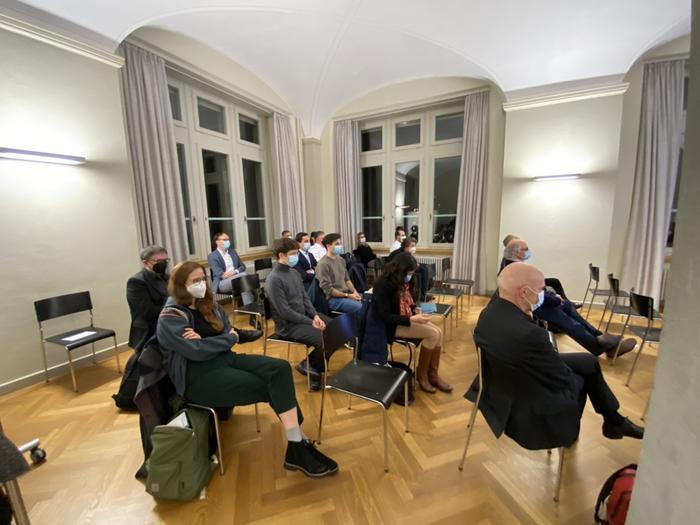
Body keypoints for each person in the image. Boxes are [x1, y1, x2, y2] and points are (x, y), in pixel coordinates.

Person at [156, 261, 338, 477]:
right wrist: (224, 339)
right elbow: (198, 351)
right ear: (180, 285)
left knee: (280, 369)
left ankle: (297, 443)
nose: (201, 284)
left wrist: (209, 340)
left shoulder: (209, 305)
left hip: (226, 360)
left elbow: (227, 333)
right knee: (271, 386)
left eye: (203, 279)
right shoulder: (170, 316)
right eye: (195, 281)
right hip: (198, 378)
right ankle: (298, 444)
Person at [467, 262, 643, 450]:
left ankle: (613, 420)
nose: (544, 294)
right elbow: (563, 380)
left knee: (589, 361)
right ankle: (590, 428)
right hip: (524, 396)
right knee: (584, 379)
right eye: (541, 290)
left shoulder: (488, 313)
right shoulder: (530, 334)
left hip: (501, 377)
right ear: (524, 292)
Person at [500, 239, 636, 358]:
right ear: (517, 253)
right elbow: (533, 294)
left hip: (534, 302)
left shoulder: (513, 264)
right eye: (525, 249)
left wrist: (554, 297)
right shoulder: (513, 268)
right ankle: (599, 347)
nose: (529, 251)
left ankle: (600, 337)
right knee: (567, 321)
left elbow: (534, 290)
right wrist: (555, 299)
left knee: (568, 307)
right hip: (529, 306)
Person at [373, 253, 452, 393]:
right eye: (409, 273)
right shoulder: (382, 285)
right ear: (399, 270)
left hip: (405, 319)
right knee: (433, 334)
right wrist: (410, 319)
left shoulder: (403, 282)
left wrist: (415, 309)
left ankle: (432, 374)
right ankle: (422, 375)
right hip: (391, 326)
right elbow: (384, 316)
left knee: (439, 332)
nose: (410, 276)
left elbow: (408, 303)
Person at [266, 238, 333, 390]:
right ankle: (314, 370)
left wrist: (315, 315)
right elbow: (285, 312)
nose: (296, 256)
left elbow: (305, 298)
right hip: (288, 326)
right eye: (293, 253)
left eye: (296, 253)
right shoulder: (274, 279)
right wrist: (310, 322)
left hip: (303, 318)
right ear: (281, 255)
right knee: (323, 338)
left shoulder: (294, 273)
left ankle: (309, 364)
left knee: (334, 328)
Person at [126, 245, 170, 352]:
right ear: (145, 263)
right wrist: (175, 306)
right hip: (149, 329)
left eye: (166, 260)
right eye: (159, 261)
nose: (163, 264)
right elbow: (147, 312)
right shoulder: (136, 282)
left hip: (167, 321)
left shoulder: (167, 277)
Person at [315, 233, 363, 314]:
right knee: (361, 308)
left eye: (340, 243)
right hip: (334, 299)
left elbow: (347, 280)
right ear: (328, 246)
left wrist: (355, 292)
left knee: (370, 302)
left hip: (347, 294)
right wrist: (348, 296)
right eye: (337, 244)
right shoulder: (323, 264)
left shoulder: (341, 260)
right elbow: (329, 290)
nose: (340, 246)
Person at [207, 232, 253, 305]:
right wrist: (236, 272)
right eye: (225, 240)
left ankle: (249, 306)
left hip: (238, 278)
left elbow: (243, 266)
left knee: (243, 281)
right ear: (217, 242)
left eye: (228, 239)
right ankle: (255, 302)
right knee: (244, 276)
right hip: (222, 283)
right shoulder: (212, 256)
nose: (227, 241)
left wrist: (234, 272)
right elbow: (221, 275)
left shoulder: (232, 252)